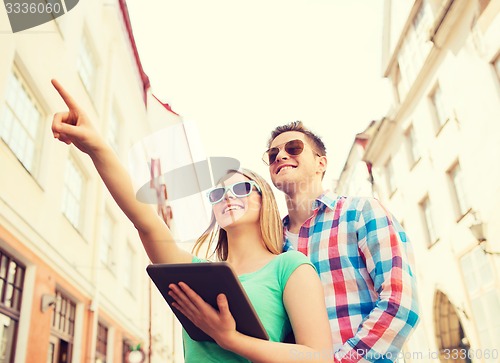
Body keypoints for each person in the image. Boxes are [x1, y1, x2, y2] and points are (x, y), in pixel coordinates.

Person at [50, 80, 333, 363]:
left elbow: (318, 356)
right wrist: (97, 147)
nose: (227, 196)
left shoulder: (290, 266)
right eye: (218, 192)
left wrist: (231, 339)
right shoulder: (196, 274)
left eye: (241, 188)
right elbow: (144, 221)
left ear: (265, 201)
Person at [263, 121, 420, 362]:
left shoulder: (361, 213)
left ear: (320, 163)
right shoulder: (271, 244)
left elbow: (400, 303)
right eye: (273, 154)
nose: (281, 155)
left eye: (293, 148)